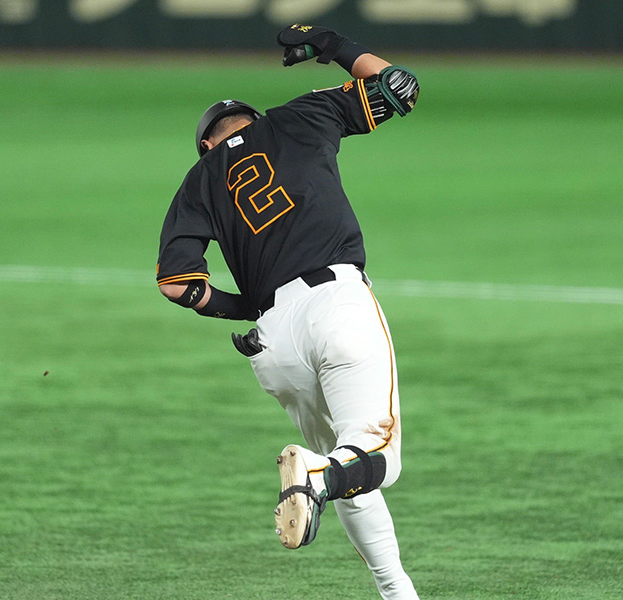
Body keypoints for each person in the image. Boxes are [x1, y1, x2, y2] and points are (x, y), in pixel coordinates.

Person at [155, 24, 420, 600]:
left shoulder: (197, 181)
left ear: (206, 144)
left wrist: (242, 306)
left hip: (272, 342)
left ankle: (397, 591)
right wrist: (331, 45)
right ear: (251, 120)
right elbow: (400, 86)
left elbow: (178, 285)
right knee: (374, 458)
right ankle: (317, 475)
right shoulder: (297, 117)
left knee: (349, 466)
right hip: (337, 304)